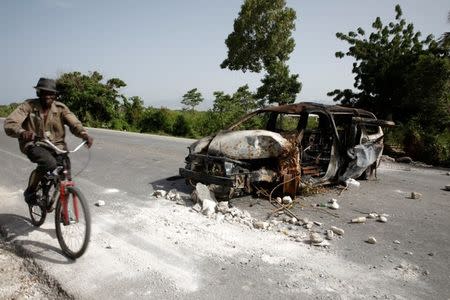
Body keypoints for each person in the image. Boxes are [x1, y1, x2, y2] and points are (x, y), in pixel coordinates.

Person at [4, 77, 93, 205]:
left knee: (65, 173)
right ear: (38, 93)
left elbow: (74, 124)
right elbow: (10, 123)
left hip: (57, 146)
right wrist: (23, 132)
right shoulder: (28, 106)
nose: (48, 96)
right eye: (44, 92)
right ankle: (31, 190)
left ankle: (63, 209)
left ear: (55, 95)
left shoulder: (61, 108)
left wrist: (84, 134)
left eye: (51, 93)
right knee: (49, 163)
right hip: (34, 144)